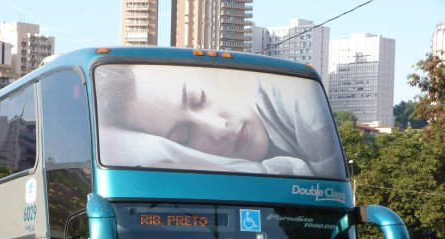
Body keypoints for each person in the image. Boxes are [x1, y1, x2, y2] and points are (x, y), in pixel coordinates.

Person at [95, 63, 345, 178]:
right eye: (184, 138)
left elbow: (325, 196)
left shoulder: (295, 97)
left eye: (199, 98)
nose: (219, 128)